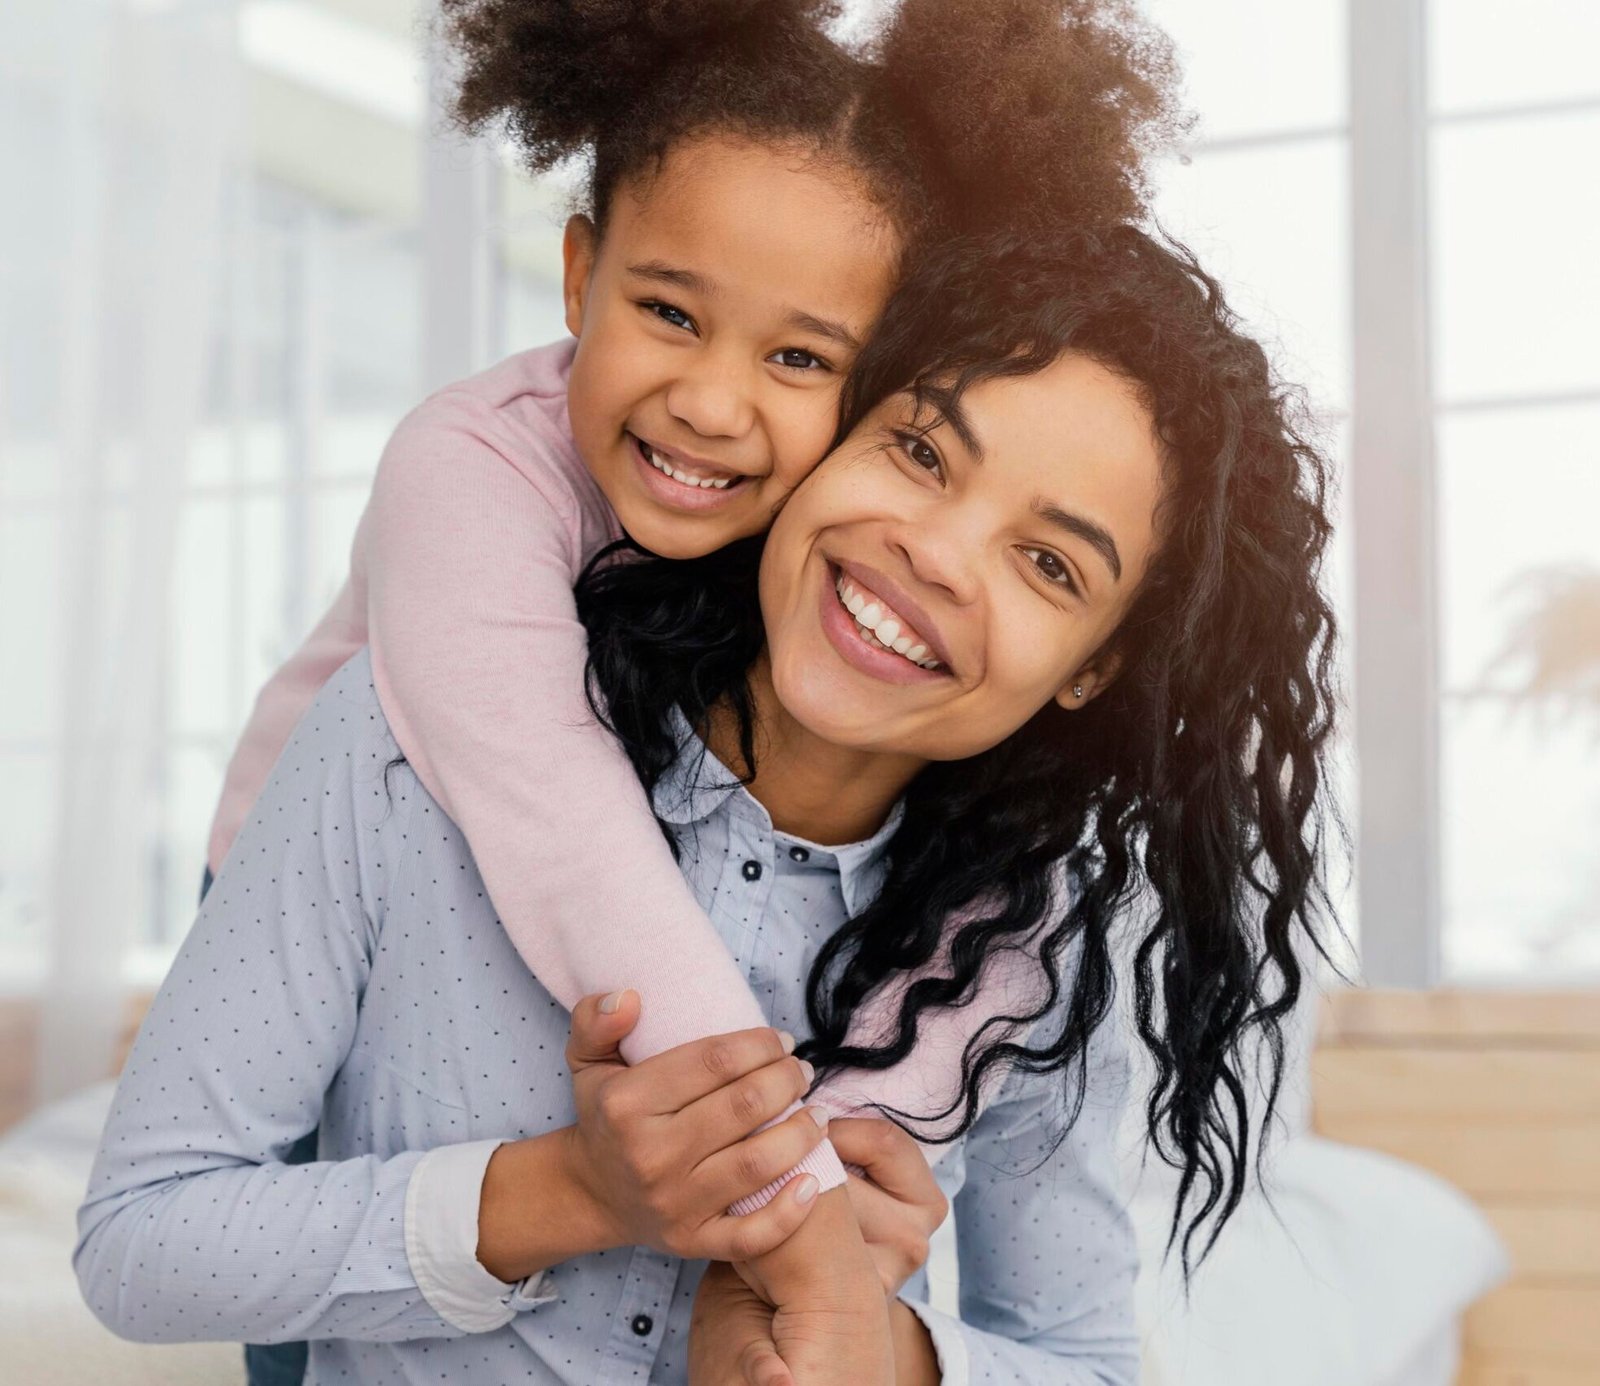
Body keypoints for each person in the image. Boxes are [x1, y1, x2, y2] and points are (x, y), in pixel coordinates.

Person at [79, 223, 1341, 1384]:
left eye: (1049, 563)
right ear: (830, 430)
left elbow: (1090, 1362)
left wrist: (888, 1353)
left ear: (1092, 670)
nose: (937, 556)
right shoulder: (401, 748)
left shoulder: (1033, 959)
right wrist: (567, 1192)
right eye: (918, 451)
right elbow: (140, 1240)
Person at [206, 6, 1179, 1377]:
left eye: (800, 359)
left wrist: (863, 1280)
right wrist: (797, 1205)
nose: (714, 407)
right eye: (670, 311)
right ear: (578, 272)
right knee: (325, 1309)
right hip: (335, 864)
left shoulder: (807, 577)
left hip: (563, 881)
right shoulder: (468, 468)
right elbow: (553, 813)